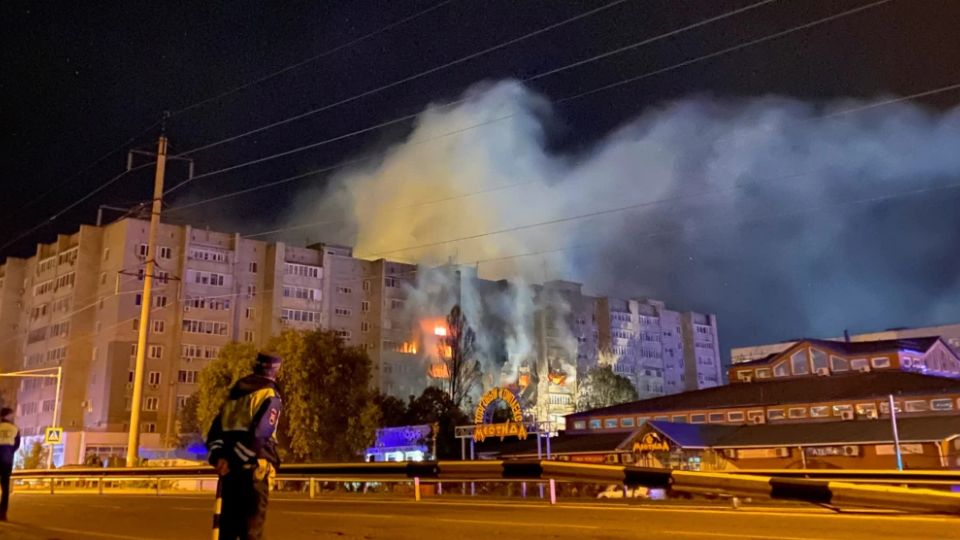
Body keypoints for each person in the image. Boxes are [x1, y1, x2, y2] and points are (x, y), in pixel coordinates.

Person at [207, 353, 283, 540]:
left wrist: (220, 458)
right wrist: (234, 459)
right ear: (275, 371)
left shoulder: (235, 393)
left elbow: (215, 432)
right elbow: (261, 435)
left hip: (229, 473)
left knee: (228, 530)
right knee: (251, 531)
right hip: (253, 472)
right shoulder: (269, 395)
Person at [0, 407, 21, 521]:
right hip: (7, 461)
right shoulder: (15, 429)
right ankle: (2, 514)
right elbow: (16, 445)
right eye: (11, 415)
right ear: (6, 416)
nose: (13, 417)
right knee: (5, 488)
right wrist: (8, 451)